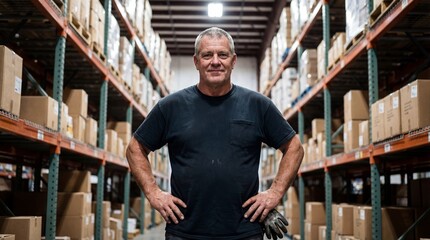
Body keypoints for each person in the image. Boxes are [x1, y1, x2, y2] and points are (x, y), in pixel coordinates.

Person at [126, 27, 304, 240]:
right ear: (196, 61)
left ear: (233, 60)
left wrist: (274, 193)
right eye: (207, 55)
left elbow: (294, 147)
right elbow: (135, 148)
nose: (215, 61)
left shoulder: (258, 105)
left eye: (223, 55)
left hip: (244, 231)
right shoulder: (170, 107)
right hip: (184, 231)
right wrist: (153, 192)